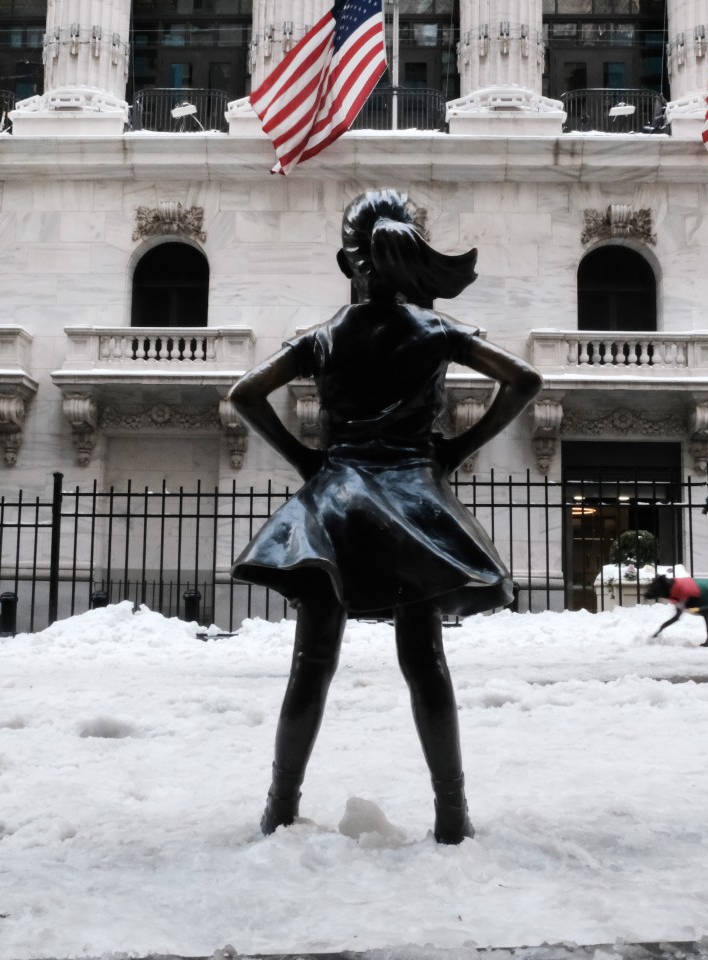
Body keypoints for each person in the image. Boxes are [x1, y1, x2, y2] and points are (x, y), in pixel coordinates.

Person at [228, 189, 542, 844]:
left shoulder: (321, 338)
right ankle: (451, 814)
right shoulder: (436, 332)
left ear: (350, 262)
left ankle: (279, 808)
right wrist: (454, 449)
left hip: (336, 500)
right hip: (412, 498)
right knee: (425, 660)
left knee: (312, 664)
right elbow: (523, 381)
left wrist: (305, 459)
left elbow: (245, 393)